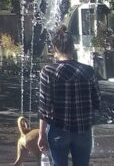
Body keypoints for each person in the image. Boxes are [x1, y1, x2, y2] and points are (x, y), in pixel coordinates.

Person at [37, 26, 101, 166]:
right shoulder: (88, 71)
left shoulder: (48, 72)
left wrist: (41, 134)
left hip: (58, 129)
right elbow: (97, 102)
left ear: (54, 48)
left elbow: (44, 108)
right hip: (83, 129)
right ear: (73, 47)